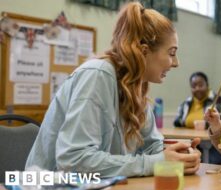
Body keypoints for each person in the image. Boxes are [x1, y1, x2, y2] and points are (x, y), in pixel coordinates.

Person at [25, 2, 201, 178]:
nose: (176, 63)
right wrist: (157, 162)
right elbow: (74, 161)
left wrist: (179, 154)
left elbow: (151, 146)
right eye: (171, 53)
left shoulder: (136, 85)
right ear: (144, 51)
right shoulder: (97, 75)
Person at [174, 71, 221, 165]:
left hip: (215, 147)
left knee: (205, 161)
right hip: (192, 144)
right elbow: (177, 124)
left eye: (201, 85)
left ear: (207, 85)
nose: (197, 88)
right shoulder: (186, 104)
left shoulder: (218, 102)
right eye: (194, 86)